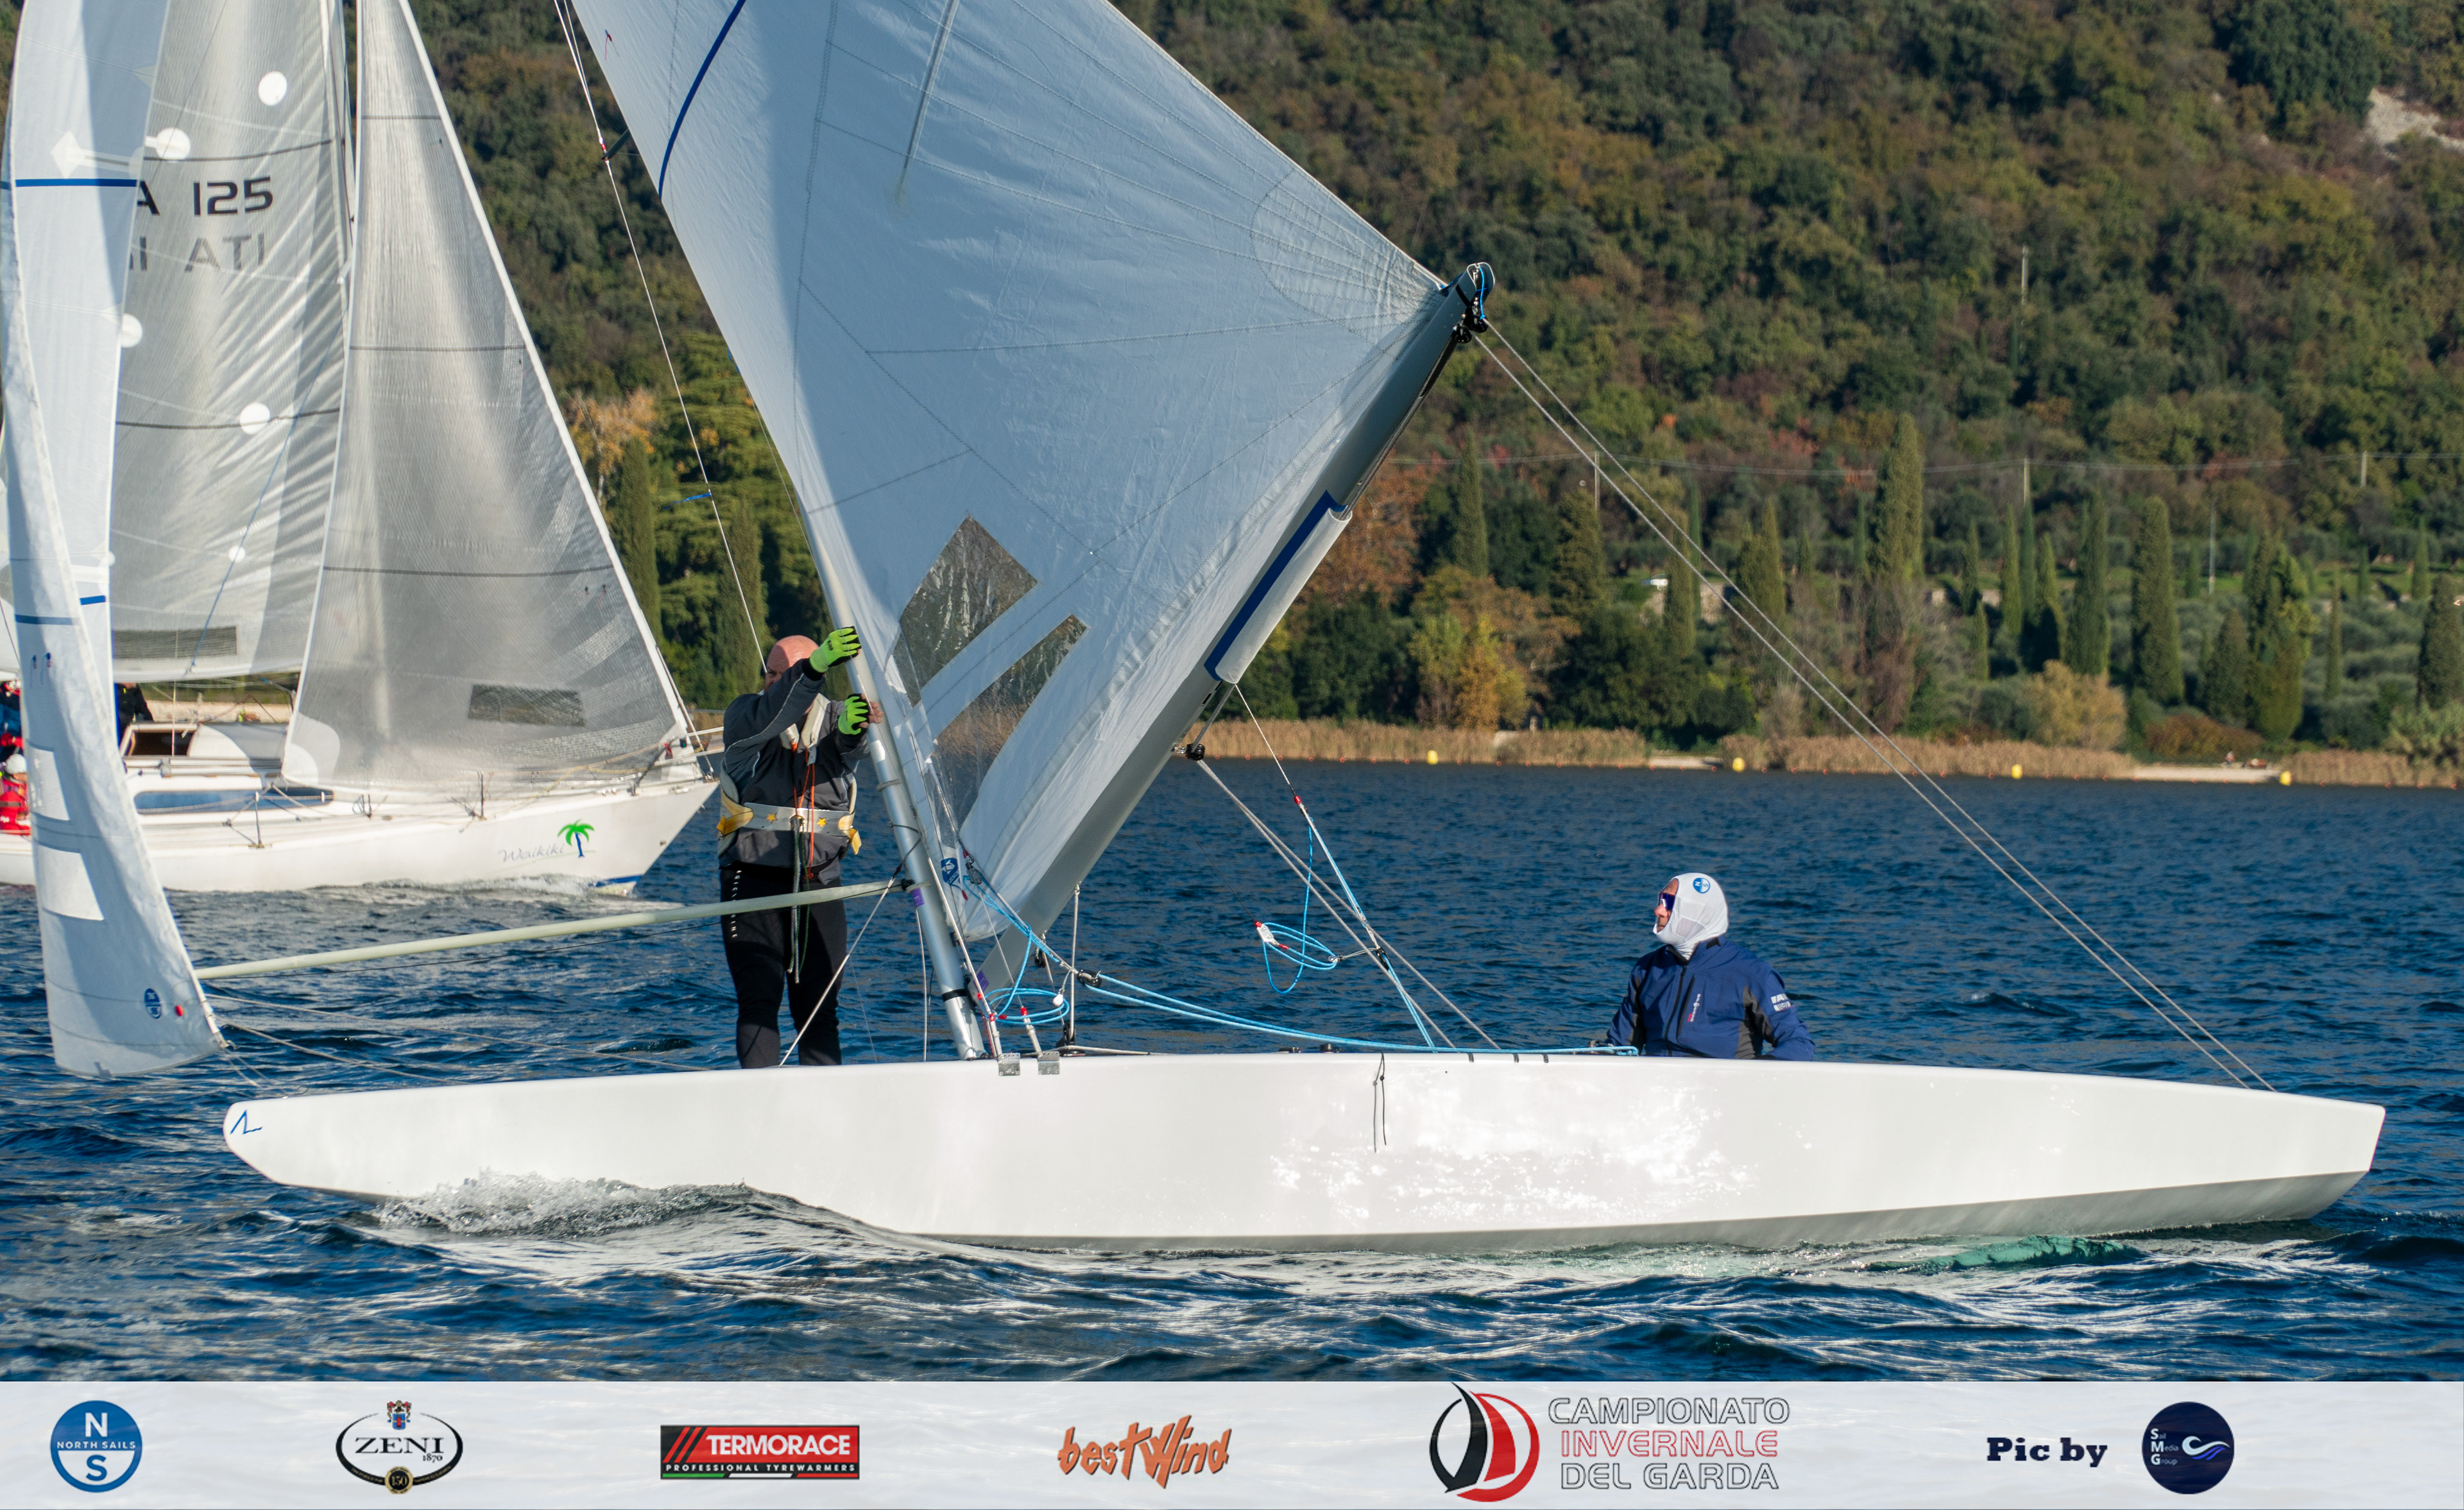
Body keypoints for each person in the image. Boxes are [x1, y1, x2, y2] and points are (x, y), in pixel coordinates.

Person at [717, 627, 873, 1068]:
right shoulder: (745, 717)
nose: (775, 679)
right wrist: (816, 667)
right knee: (759, 1003)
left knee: (819, 1013)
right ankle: (761, 1109)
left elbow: (851, 745)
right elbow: (778, 707)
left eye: (788, 671)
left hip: (819, 882)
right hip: (752, 880)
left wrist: (851, 731)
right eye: (772, 672)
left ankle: (824, 1118)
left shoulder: (840, 715)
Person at [1606, 872, 1815, 1060]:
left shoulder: (1751, 972)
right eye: (1660, 900)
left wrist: (1760, 1071)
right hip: (1658, 1086)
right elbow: (1619, 1046)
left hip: (1725, 1087)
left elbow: (1798, 1043)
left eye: (1668, 902)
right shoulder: (1647, 968)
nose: (1658, 910)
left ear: (1694, 911)